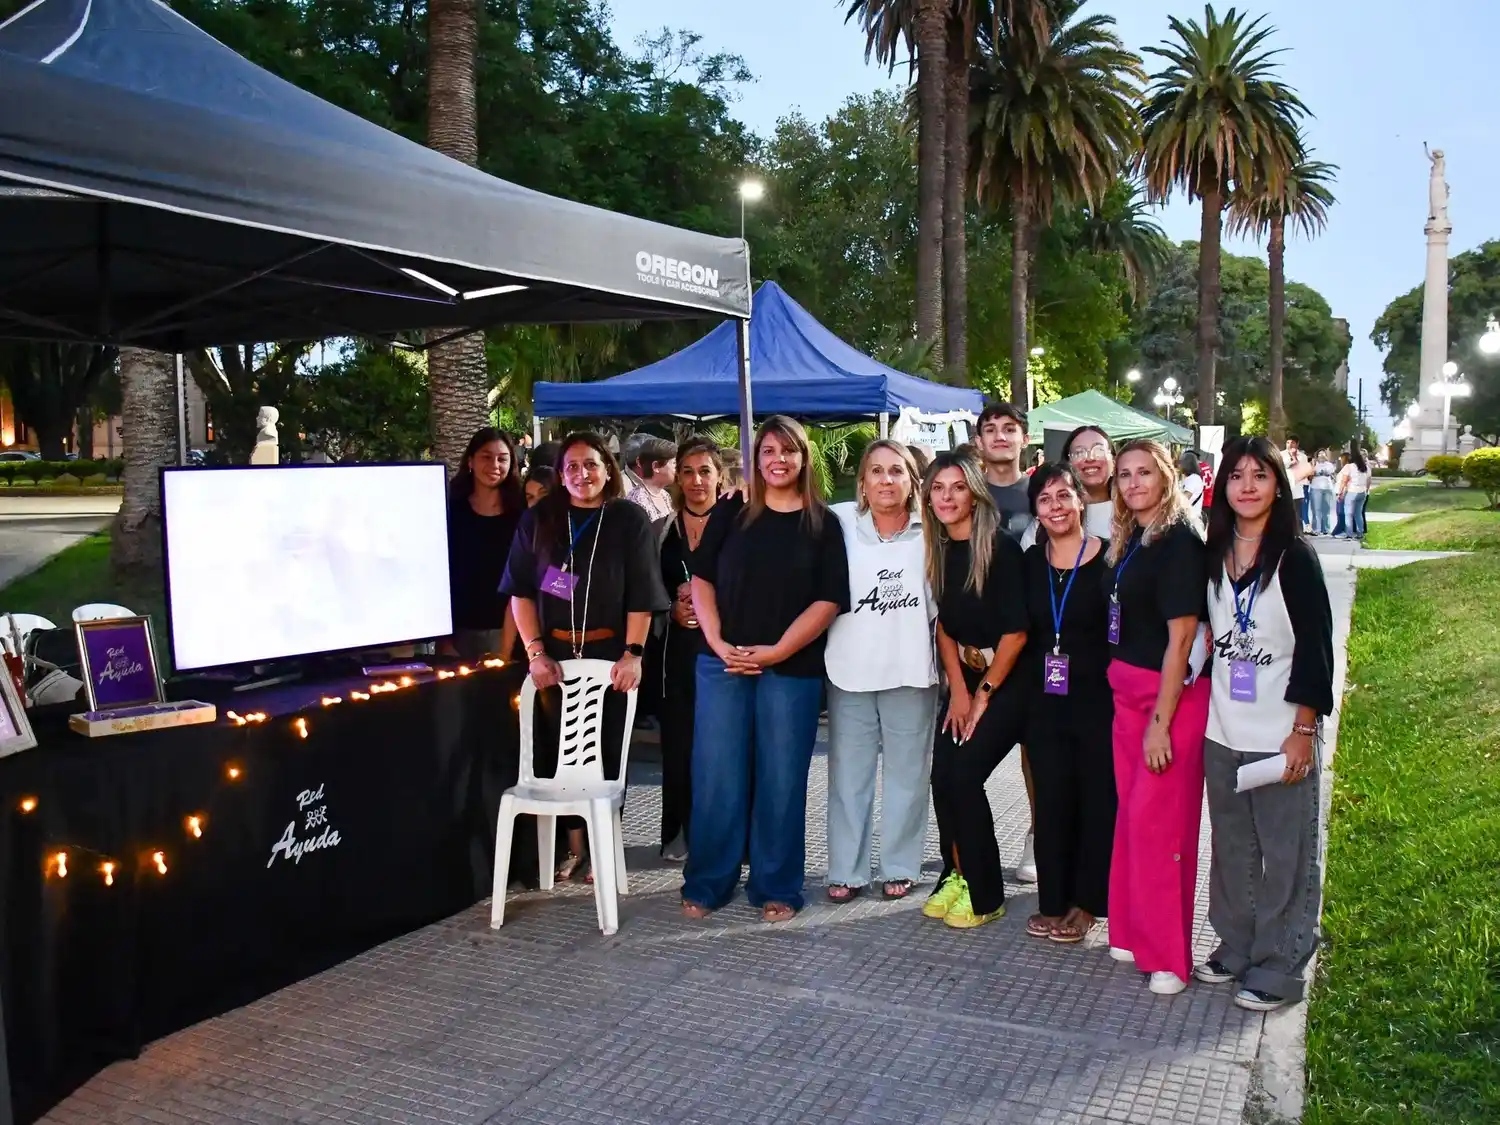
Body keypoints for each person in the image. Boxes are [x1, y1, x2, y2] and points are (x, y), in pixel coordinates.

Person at [682, 416, 849, 923]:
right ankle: (709, 881)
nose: (778, 459)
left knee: (781, 779)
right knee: (716, 776)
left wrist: (776, 651)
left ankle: (777, 885)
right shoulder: (731, 512)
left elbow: (828, 601)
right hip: (722, 663)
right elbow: (702, 580)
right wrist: (716, 640)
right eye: (768, 450)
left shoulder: (823, 523)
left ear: (804, 457)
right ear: (756, 460)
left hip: (790, 668)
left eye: (788, 450)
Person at [1195, 435, 1334, 1012]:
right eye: (1236, 476)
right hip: (1224, 730)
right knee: (1232, 848)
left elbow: (1316, 650)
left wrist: (1302, 731)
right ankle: (1238, 943)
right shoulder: (1215, 550)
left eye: (1259, 475)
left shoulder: (1294, 557)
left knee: (1287, 853)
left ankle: (1282, 961)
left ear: (1279, 484)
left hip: (1280, 736)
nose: (1247, 486)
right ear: (1222, 486)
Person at [501, 432, 671, 881]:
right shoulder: (539, 520)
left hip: (611, 653)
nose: (582, 474)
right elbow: (519, 591)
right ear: (560, 474)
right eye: (572, 466)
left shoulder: (628, 519)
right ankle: (574, 848)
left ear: (608, 469)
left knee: (609, 752)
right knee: (558, 751)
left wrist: (633, 654)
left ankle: (603, 846)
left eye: (591, 464)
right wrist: (535, 652)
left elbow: (642, 594)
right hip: (552, 655)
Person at [1104, 439, 1212, 996]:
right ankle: (1130, 930)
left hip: (1166, 706)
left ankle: (1169, 954)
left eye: (1145, 472)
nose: (1134, 482)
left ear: (1167, 475)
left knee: (1161, 827)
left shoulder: (1179, 541)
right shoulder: (1132, 538)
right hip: (1127, 700)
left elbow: (1183, 639)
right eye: (1124, 474)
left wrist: (1161, 724)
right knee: (1131, 820)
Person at [823, 440, 937, 902]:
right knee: (848, 778)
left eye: (896, 471)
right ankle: (845, 870)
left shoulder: (933, 531)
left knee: (908, 778)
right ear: (863, 483)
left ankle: (900, 865)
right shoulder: (839, 522)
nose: (886, 480)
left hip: (911, 671)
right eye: (876, 471)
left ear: (912, 482)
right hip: (849, 670)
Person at [921, 449, 1030, 930]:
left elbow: (1016, 635)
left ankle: (986, 895)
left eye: (957, 487)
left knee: (964, 777)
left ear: (974, 494)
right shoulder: (939, 548)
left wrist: (981, 693)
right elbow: (944, 627)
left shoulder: (1001, 548)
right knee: (942, 777)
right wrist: (959, 692)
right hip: (965, 679)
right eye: (938, 488)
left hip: (1008, 681)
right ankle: (956, 874)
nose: (946, 497)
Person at [1020, 463, 1115, 944]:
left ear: (1081, 500)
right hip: (1043, 703)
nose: (1055, 507)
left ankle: (1088, 903)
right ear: (1035, 511)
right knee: (1051, 800)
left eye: (1063, 496)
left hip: (1099, 702)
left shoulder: (1109, 561)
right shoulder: (1029, 565)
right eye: (1044, 500)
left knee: (1096, 800)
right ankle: (1052, 900)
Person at [655, 436, 736, 864]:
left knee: (723, 746)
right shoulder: (662, 531)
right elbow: (648, 589)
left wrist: (708, 603)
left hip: (723, 648)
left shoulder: (736, 524)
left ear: (719, 476)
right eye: (687, 471)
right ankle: (679, 835)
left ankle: (723, 838)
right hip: (678, 652)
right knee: (681, 744)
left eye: (705, 471)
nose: (696, 480)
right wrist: (671, 608)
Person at [975, 402, 1039, 882]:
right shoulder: (966, 493)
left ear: (1025, 437)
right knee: (963, 755)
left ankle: (1037, 837)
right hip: (974, 648)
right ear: (978, 441)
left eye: (1009, 429)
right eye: (990, 429)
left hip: (1035, 644)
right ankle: (966, 846)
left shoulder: (1041, 492)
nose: (1000, 436)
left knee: (1035, 751)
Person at [445, 428, 524, 661]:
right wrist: (445, 642)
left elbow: (529, 576)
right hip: (460, 634)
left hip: (513, 630)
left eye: (502, 458)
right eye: (486, 457)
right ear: (470, 461)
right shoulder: (451, 509)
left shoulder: (522, 512)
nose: (495, 465)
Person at [1060, 426, 1116, 539]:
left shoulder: (1133, 512)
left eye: (1099, 451)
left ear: (1114, 462)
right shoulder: (1055, 514)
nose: (1090, 458)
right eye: (1079, 452)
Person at [624, 434, 678, 522]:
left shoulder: (665, 495)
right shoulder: (637, 501)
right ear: (656, 466)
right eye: (674, 463)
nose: (678, 469)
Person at [1335, 446, 1371, 540]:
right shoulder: (1366, 467)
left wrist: (1340, 492)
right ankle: (1360, 533)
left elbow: (1344, 481)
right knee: (1358, 513)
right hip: (1362, 492)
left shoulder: (1349, 467)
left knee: (1348, 514)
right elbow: (1368, 481)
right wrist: (1366, 490)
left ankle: (1349, 534)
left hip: (1352, 491)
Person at [1281, 437, 1312, 530]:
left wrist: (1294, 457)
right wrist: (1291, 462)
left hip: (1298, 488)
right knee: (1284, 514)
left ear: (1297, 444)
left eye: (1292, 443)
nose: (1289, 445)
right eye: (1288, 442)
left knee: (1297, 514)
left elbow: (1306, 471)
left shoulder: (1302, 456)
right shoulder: (1280, 455)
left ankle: (1298, 536)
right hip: (1285, 487)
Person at [1306, 448, 1336, 536]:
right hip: (1316, 488)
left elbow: (1331, 472)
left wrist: (1321, 472)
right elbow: (1310, 474)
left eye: (1323, 453)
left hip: (1327, 488)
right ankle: (1316, 529)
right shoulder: (1314, 464)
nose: (1321, 455)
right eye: (1320, 454)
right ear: (1317, 455)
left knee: (1326, 510)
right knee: (1316, 509)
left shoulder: (1329, 464)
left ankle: (1326, 528)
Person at [1179, 448, 1206, 522]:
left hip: (1191, 519)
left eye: (1180, 462)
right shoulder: (1193, 478)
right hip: (1191, 518)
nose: (1179, 465)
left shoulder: (1193, 479)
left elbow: (1185, 498)